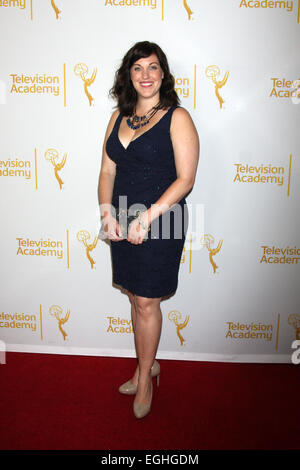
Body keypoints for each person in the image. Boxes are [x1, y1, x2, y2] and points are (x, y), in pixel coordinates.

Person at [98, 41, 199, 419]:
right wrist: (108, 213)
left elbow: (186, 180)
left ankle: (144, 378)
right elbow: (108, 171)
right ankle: (148, 364)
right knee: (133, 298)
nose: (145, 75)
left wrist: (146, 219)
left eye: (152, 67)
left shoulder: (178, 117)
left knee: (147, 301)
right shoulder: (118, 117)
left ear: (163, 74)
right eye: (137, 68)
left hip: (161, 218)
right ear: (129, 75)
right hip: (121, 217)